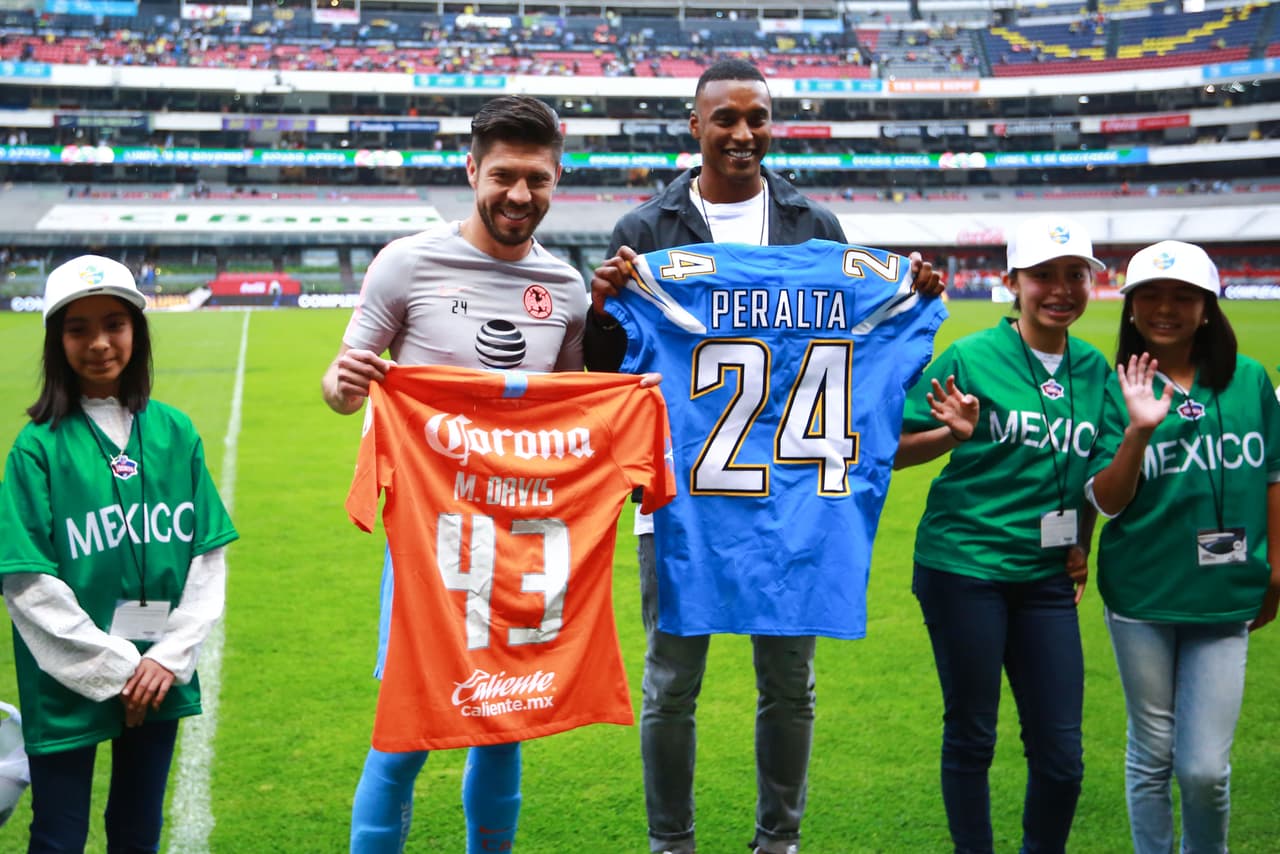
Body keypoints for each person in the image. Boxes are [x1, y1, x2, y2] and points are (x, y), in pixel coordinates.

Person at [586, 58, 942, 854]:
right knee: (671, 684)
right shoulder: (644, 233)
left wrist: (910, 296)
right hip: (682, 500)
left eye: (757, 118)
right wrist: (606, 307)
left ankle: (778, 842)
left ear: (771, 124)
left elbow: (857, 356)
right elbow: (608, 374)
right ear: (695, 126)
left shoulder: (818, 230)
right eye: (726, 119)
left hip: (793, 500)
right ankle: (670, 843)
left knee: (790, 685)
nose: (743, 133)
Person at [322, 95, 587, 854]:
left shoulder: (563, 289)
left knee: (505, 724)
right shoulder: (408, 262)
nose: (518, 195)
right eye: (503, 175)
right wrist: (343, 387)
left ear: (555, 180)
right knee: (405, 732)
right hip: (425, 536)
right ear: (472, 170)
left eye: (537, 179)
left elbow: (564, 414)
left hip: (522, 538)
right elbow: (341, 386)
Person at [0, 254, 236, 853]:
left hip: (162, 666)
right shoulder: (36, 450)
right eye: (77, 329)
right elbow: (28, 585)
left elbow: (205, 562)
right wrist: (122, 670)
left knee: (137, 829)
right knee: (59, 835)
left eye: (114, 323)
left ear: (138, 329)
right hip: (68, 673)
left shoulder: (175, 432)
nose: (99, 343)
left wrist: (164, 661)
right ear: (57, 341)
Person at [895, 215, 1110, 854]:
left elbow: (1097, 475)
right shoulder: (971, 356)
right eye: (1043, 275)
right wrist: (951, 434)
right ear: (1011, 282)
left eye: (1075, 275)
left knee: (1062, 754)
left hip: (1045, 576)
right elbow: (899, 448)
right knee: (973, 734)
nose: (1061, 289)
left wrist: (1082, 547)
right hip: (964, 567)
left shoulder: (1095, 370)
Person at [1086, 240, 1280, 854]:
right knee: (1151, 754)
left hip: (1225, 593)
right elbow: (1108, 501)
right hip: (1143, 593)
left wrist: (1276, 572)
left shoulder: (1251, 381)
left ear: (1207, 307)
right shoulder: (1113, 387)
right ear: (1132, 307)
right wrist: (1139, 430)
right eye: (1150, 296)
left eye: (1182, 296)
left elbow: (1273, 473)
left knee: (1203, 770)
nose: (1164, 308)